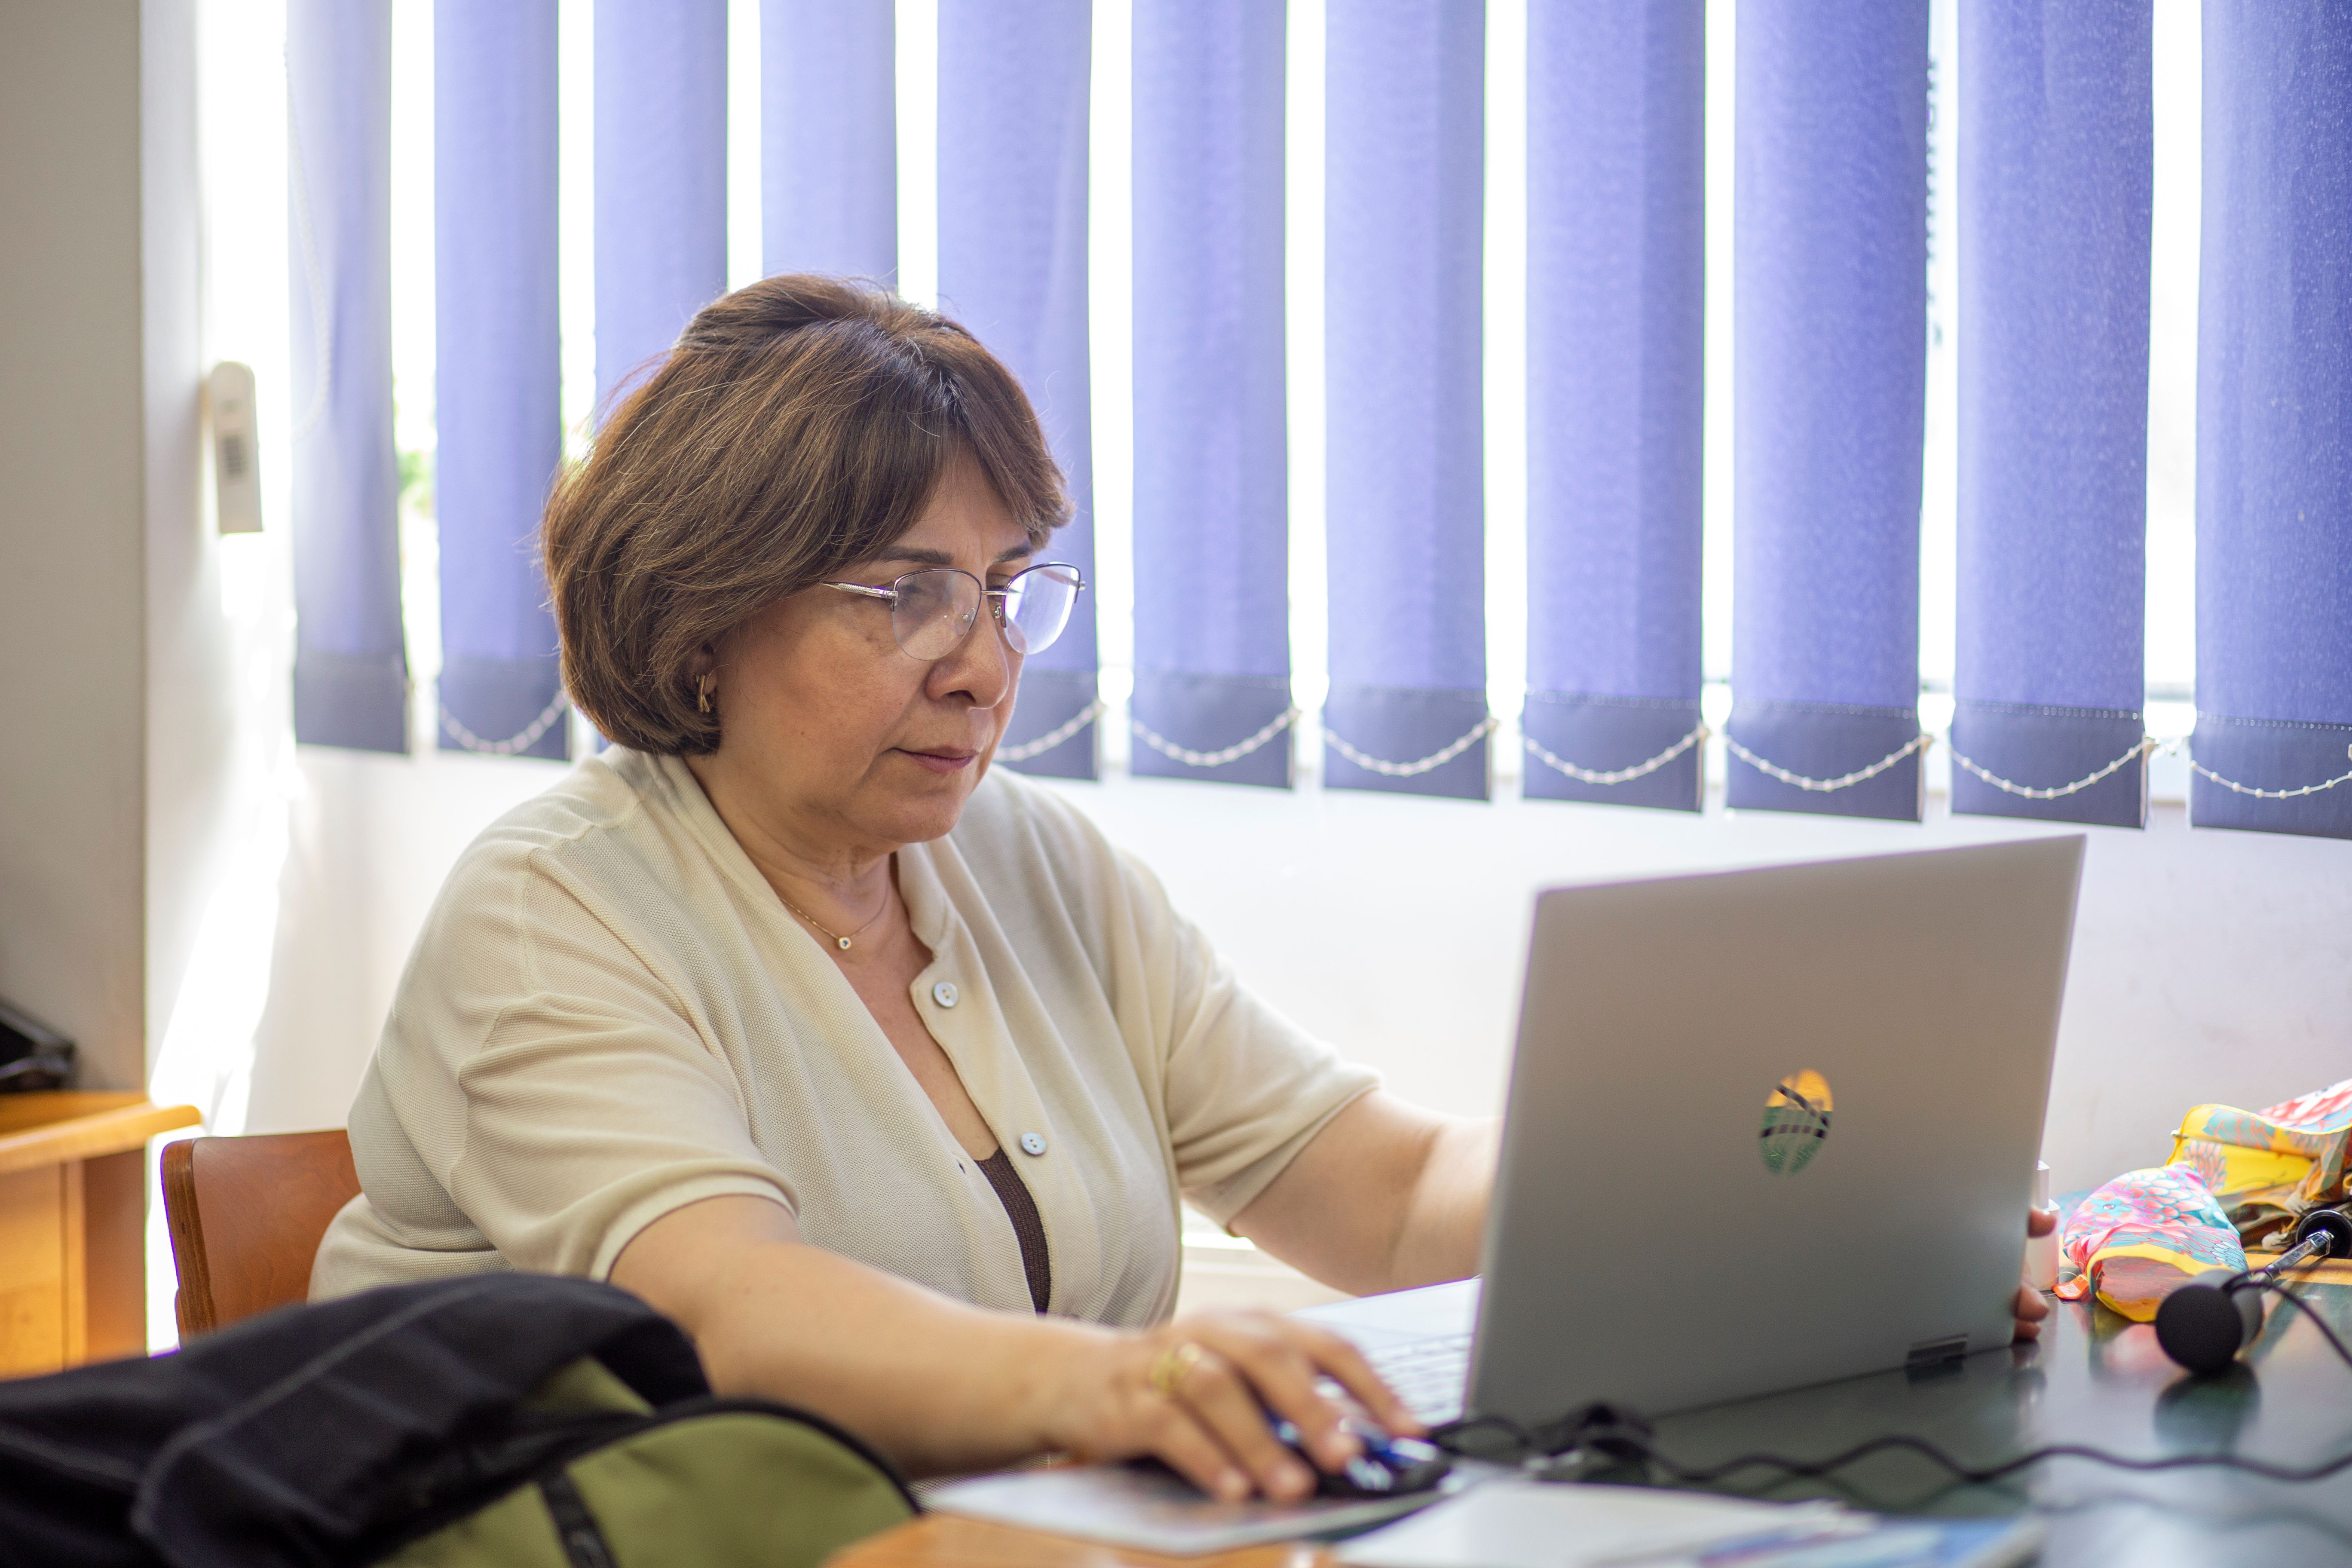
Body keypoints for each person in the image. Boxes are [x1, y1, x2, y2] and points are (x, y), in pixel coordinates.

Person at [312, 276, 2051, 1501]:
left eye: (1006, 589)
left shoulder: (1025, 861)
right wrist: (1125, 1381)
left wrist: (1764, 1200)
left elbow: (1385, 1197)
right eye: (903, 595)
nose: (984, 664)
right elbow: (730, 1315)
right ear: (704, 619)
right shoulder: (555, 909)